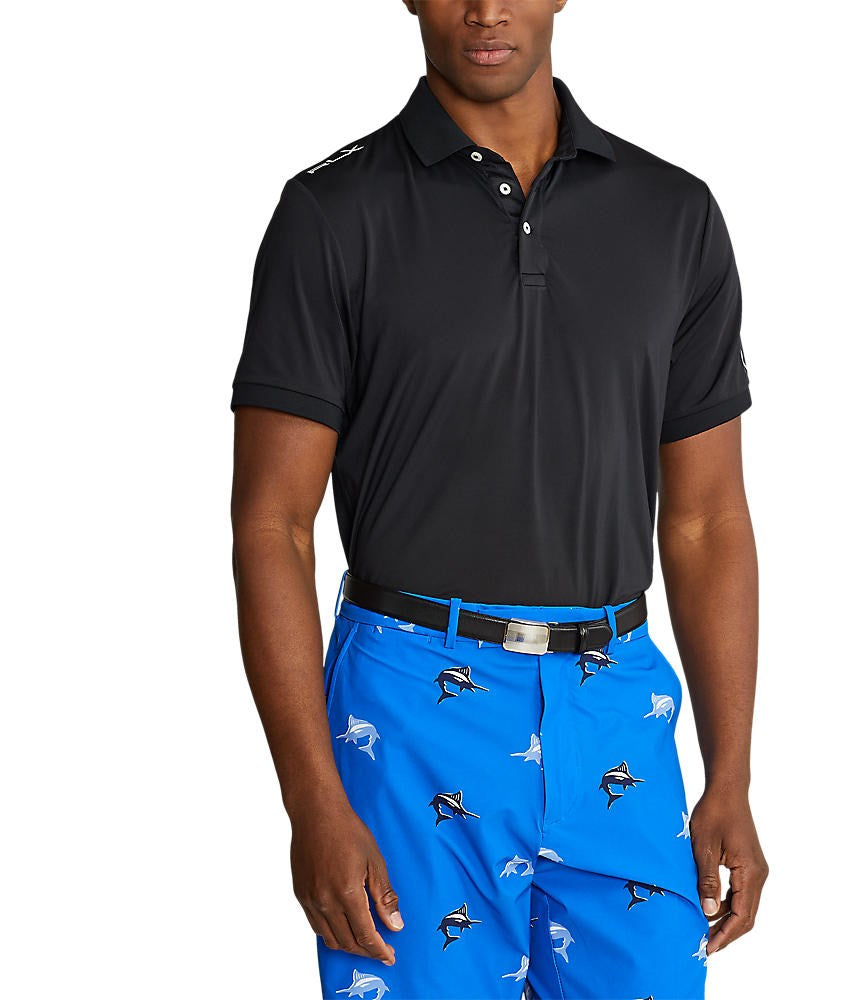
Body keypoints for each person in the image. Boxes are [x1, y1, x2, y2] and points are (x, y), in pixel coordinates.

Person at [229, 2, 767, 997]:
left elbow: (706, 520)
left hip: (616, 703)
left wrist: (728, 773)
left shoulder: (672, 213)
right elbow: (272, 523)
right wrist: (312, 799)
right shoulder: (333, 210)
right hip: (409, 710)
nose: (485, 8)